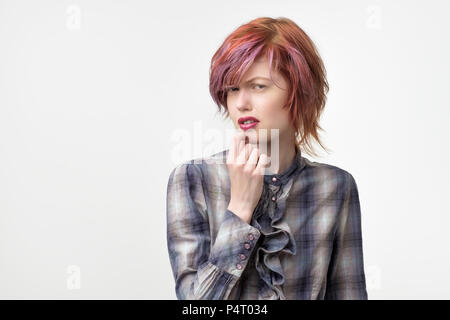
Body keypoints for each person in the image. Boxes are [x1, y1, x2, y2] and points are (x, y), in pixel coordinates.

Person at [166, 16, 368, 300]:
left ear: (300, 90)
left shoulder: (335, 186)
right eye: (232, 88)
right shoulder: (193, 179)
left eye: (258, 86)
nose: (240, 103)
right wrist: (239, 211)